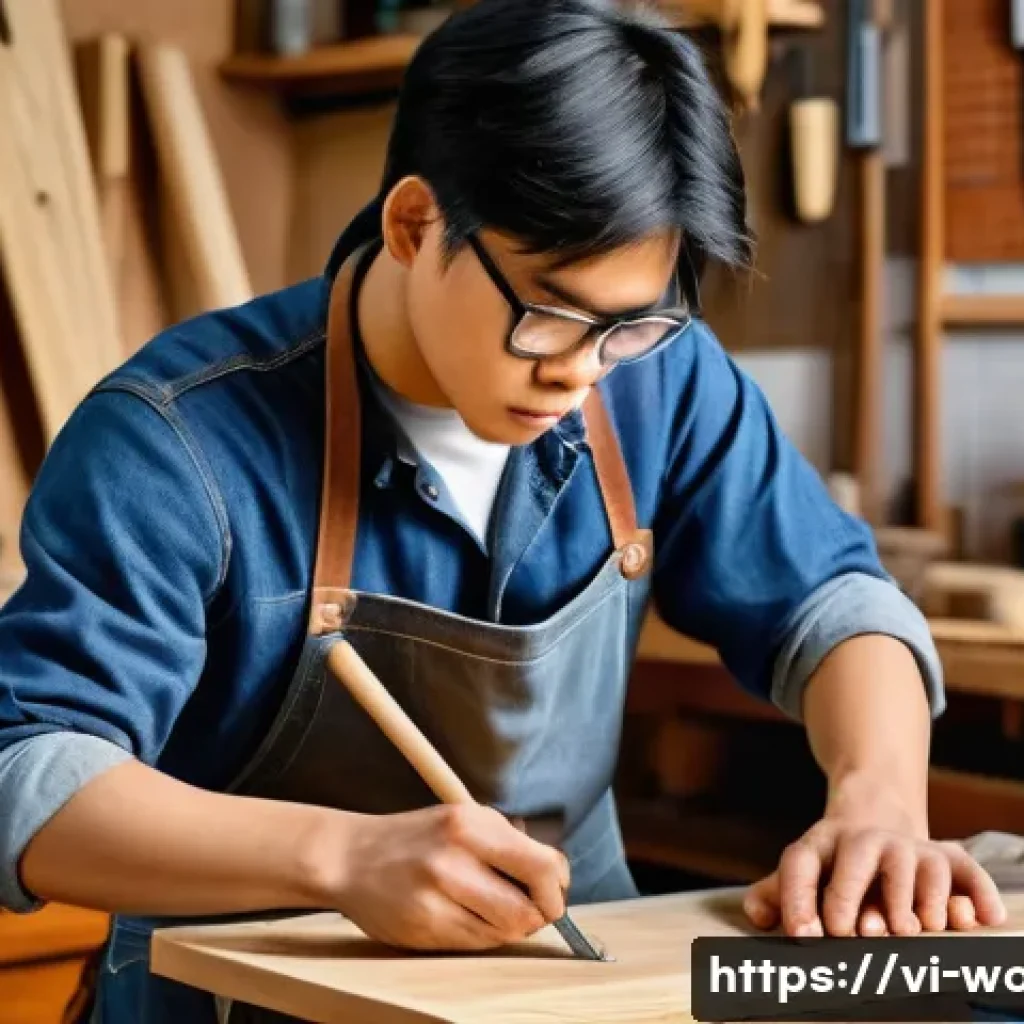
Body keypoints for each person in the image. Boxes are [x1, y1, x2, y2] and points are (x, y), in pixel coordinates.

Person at [0, 0, 1006, 1020]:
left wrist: (879, 801)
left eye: (629, 326)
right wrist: (340, 856)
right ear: (413, 223)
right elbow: (29, 775)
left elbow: (831, 601)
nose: (579, 373)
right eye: (547, 313)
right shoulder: (175, 440)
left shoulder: (653, 379)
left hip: (565, 990)